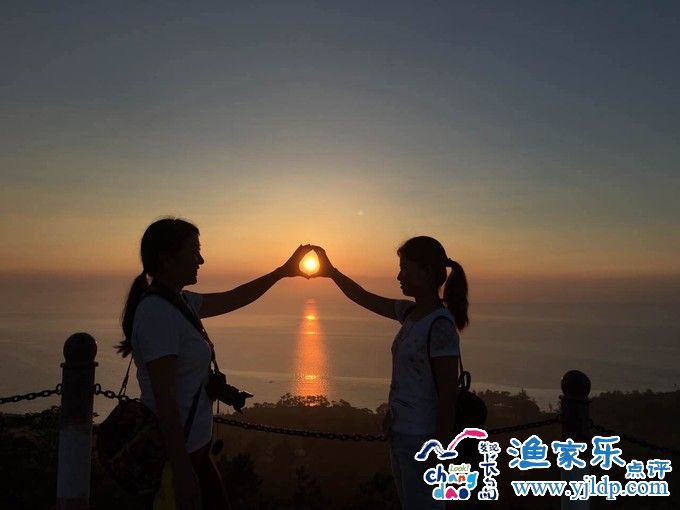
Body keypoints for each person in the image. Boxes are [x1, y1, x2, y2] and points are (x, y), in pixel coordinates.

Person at [116, 217, 312, 510]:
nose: (201, 260)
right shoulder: (157, 313)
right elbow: (165, 400)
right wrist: (183, 472)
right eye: (194, 251)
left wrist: (281, 273)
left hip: (195, 451)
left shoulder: (180, 302)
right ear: (167, 258)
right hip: (177, 457)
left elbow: (234, 298)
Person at [310, 237, 469, 510]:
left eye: (405, 268)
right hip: (402, 435)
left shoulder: (440, 326)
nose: (399, 276)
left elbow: (447, 397)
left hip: (423, 441)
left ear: (426, 271)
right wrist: (332, 273)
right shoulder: (410, 313)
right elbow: (364, 298)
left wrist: (440, 451)